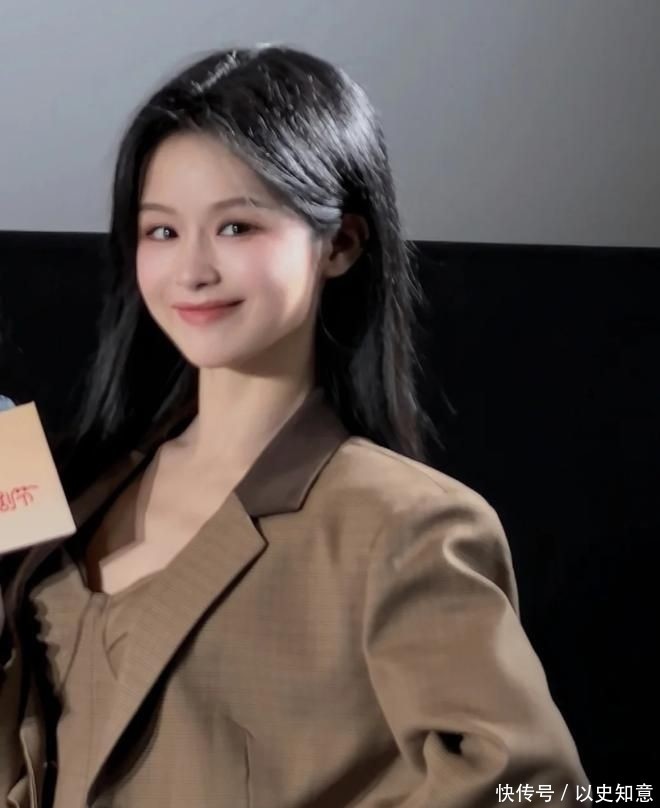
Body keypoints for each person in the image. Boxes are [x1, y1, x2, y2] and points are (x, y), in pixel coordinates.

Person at [0, 44, 589, 807]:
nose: (192, 270)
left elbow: (540, 793)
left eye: (236, 227)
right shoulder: (71, 482)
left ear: (340, 243)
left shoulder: (405, 526)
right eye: (161, 232)